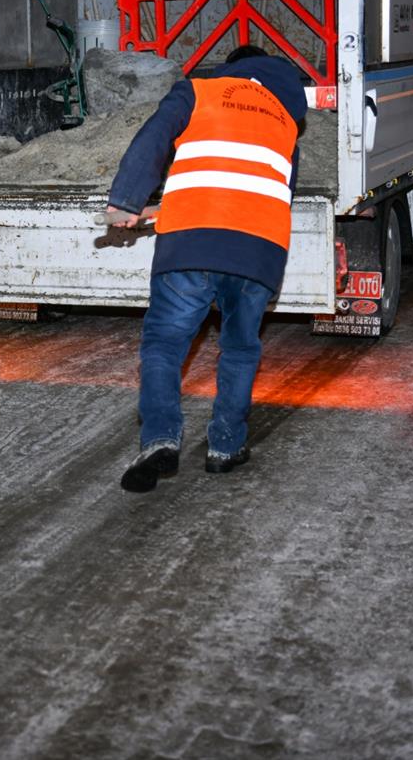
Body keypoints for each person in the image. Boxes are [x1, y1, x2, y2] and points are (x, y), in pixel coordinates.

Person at [106, 45, 307, 492]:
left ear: (231, 70)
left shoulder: (199, 92)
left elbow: (154, 137)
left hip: (191, 242)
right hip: (259, 249)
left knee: (163, 345)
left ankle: (159, 439)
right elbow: (277, 190)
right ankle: (225, 446)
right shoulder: (285, 123)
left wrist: (126, 200)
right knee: (239, 348)